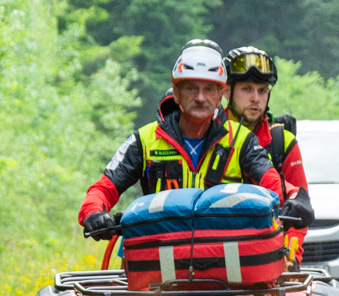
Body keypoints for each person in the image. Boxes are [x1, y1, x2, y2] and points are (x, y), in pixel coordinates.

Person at [79, 40, 291, 242]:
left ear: (220, 95)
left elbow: (270, 180)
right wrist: (94, 212)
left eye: (209, 89)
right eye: (191, 88)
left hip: (224, 255)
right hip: (157, 254)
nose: (200, 97)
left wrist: (292, 200)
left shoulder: (241, 139)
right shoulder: (144, 140)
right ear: (177, 93)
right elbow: (103, 188)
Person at [223, 46, 314, 260]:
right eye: (246, 89)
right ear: (226, 90)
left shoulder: (283, 142)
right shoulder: (210, 136)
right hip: (216, 251)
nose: (255, 98)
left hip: (269, 257)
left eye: (262, 90)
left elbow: (300, 212)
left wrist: (289, 256)